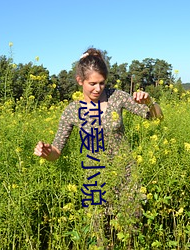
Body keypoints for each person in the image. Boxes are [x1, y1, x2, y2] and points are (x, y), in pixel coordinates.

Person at [34, 47, 163, 246]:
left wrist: (150, 102)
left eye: (102, 83)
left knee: (131, 234)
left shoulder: (116, 97)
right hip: (94, 179)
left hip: (126, 175)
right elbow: (57, 151)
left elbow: (156, 118)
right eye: (92, 83)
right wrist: (46, 152)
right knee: (99, 238)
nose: (98, 88)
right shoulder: (72, 111)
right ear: (80, 81)